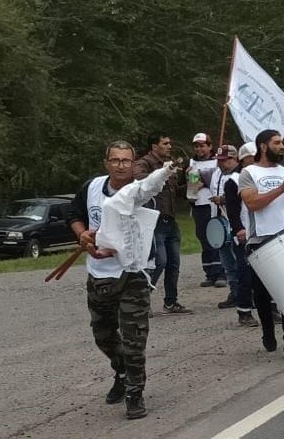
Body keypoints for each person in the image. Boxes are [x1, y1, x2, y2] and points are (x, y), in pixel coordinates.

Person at [68, 140, 174, 420]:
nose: (120, 165)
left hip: (133, 275)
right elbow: (74, 215)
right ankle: (122, 369)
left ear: (134, 162)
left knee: (134, 339)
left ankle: (134, 392)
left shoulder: (141, 193)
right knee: (102, 336)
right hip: (99, 274)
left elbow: (144, 192)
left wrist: (163, 173)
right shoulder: (92, 187)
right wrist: (82, 234)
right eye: (115, 160)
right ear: (107, 163)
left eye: (126, 160)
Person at [238, 130, 284, 361]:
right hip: (260, 241)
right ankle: (268, 330)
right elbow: (252, 203)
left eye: (282, 142)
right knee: (262, 295)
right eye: (277, 142)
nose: (282, 146)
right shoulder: (249, 173)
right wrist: (280, 189)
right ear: (263, 146)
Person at [134, 133, 191, 315]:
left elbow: (176, 191)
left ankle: (171, 301)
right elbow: (139, 180)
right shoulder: (145, 163)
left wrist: (189, 182)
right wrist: (163, 172)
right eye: (165, 143)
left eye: (169, 143)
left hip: (170, 219)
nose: (169, 146)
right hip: (154, 220)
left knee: (174, 263)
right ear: (154, 146)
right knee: (159, 261)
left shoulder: (171, 164)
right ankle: (142, 299)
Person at [219, 145, 258, 327]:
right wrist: (238, 229)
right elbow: (233, 210)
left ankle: (271, 307)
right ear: (243, 159)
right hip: (245, 233)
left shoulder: (261, 176)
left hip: (263, 232)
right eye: (251, 156)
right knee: (245, 272)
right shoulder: (233, 180)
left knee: (267, 273)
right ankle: (244, 311)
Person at [186, 132, 225, 287]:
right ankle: (210, 272)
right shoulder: (191, 163)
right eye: (196, 146)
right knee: (203, 237)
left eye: (202, 145)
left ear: (209, 146)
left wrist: (205, 182)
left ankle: (221, 271)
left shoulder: (217, 161)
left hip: (214, 204)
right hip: (198, 204)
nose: (199, 149)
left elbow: (220, 179)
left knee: (216, 236)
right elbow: (188, 184)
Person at [210, 145, 243, 309]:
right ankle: (235, 292)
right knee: (227, 262)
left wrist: (222, 199)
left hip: (233, 223)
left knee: (238, 260)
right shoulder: (217, 174)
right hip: (219, 222)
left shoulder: (240, 175)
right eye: (220, 160)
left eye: (225, 160)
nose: (222, 163)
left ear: (234, 158)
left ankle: (244, 292)